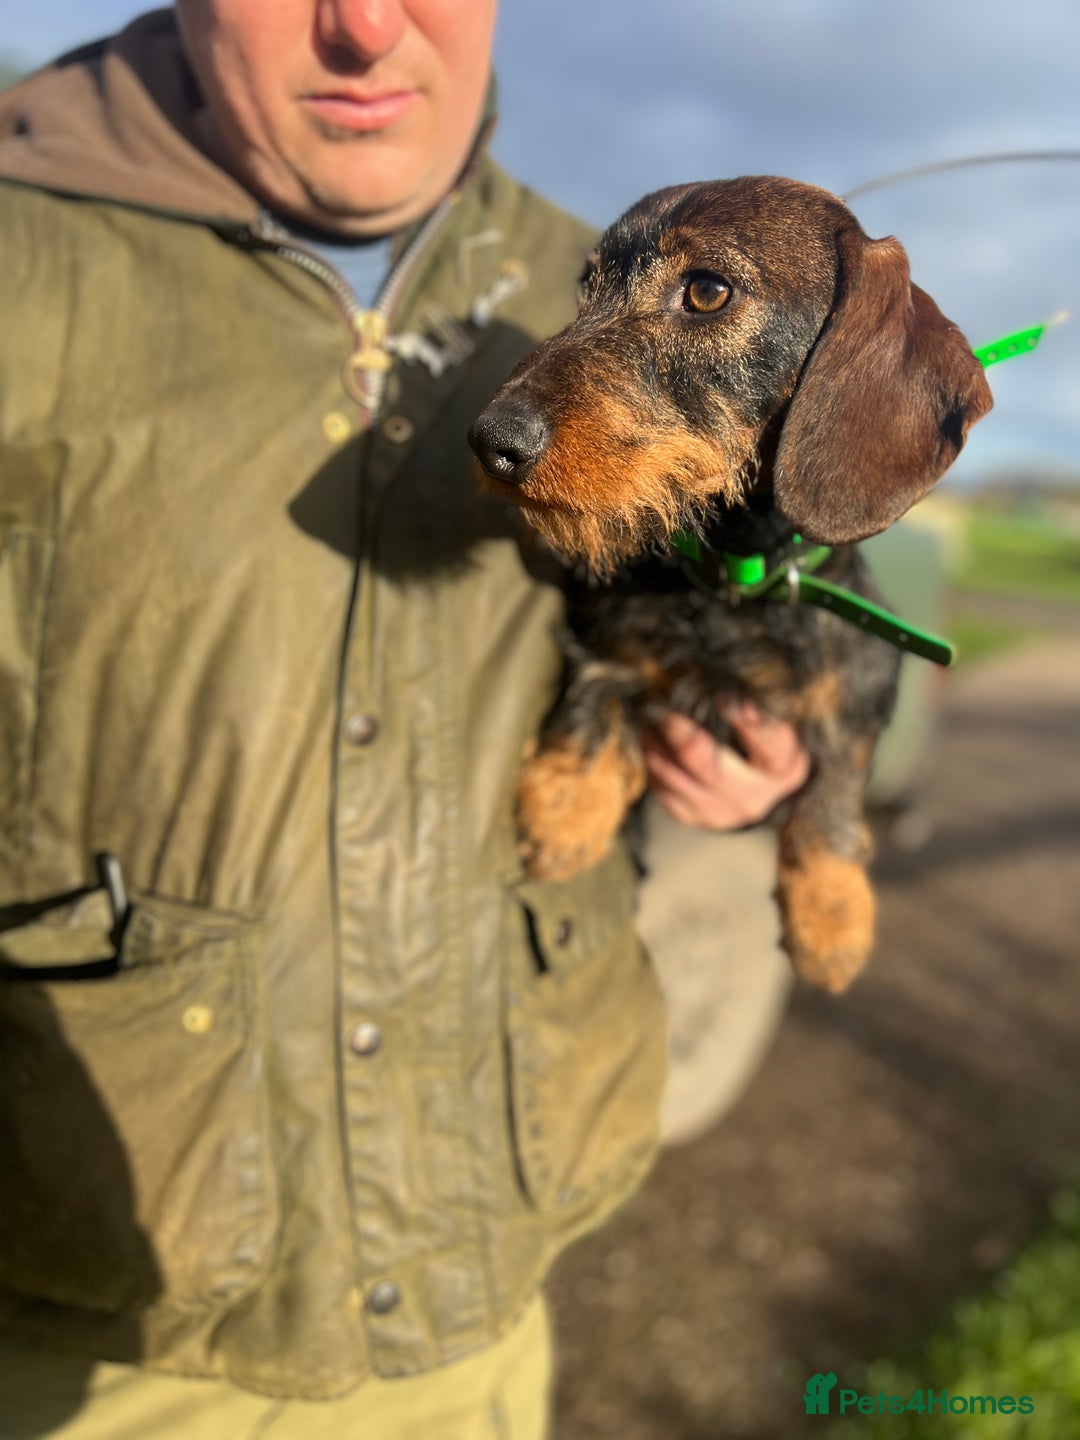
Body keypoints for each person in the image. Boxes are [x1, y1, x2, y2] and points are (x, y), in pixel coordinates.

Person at [0, 3, 808, 1434]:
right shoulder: (23, 256)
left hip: (485, 1280)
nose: (367, 25)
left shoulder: (593, 286)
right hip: (87, 1314)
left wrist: (736, 749)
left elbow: (710, 602)